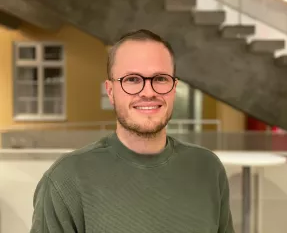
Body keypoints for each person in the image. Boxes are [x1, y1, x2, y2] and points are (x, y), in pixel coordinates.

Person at [30, 29, 235, 233]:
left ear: (174, 87)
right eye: (132, 80)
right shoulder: (67, 179)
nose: (148, 92)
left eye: (160, 79)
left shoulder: (208, 169)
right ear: (111, 91)